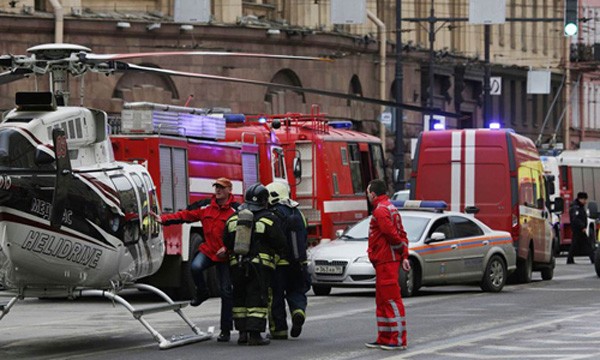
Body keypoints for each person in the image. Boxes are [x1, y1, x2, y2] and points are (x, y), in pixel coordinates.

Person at [156, 177, 237, 342]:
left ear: (229, 190)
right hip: (209, 251)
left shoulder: (236, 211)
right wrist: (163, 220)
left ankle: (226, 330)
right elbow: (186, 215)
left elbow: (243, 234)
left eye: (222, 187)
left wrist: (228, 249)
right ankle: (203, 292)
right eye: (216, 187)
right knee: (195, 267)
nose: (218, 190)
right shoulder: (206, 207)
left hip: (225, 255)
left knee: (226, 292)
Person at [223, 183, 286, 346]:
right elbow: (280, 242)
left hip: (236, 265)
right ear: (265, 201)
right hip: (259, 267)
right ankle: (255, 335)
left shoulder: (233, 219)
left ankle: (242, 334)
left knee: (240, 299)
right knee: (256, 299)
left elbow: (227, 242)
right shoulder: (269, 219)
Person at [364, 179, 410, 351]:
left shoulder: (381, 211)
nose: (367, 195)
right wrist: (403, 254)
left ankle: (397, 339)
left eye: (368, 192)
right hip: (384, 261)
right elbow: (402, 234)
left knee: (390, 301)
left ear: (373, 194)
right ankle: (384, 337)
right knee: (383, 301)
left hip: (386, 261)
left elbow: (392, 234)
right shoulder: (389, 208)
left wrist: (400, 251)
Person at [265, 181, 310, 340]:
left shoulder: (273, 214)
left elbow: (271, 239)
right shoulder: (299, 213)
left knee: (275, 296)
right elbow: (304, 238)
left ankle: (279, 330)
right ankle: (298, 311)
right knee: (296, 290)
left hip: (278, 264)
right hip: (298, 263)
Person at [567, 192, 594, 264]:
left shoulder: (579, 207)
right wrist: (582, 226)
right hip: (578, 229)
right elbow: (575, 219)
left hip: (579, 229)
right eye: (584, 199)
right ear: (580, 199)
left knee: (575, 244)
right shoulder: (576, 208)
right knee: (587, 244)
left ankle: (570, 259)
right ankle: (593, 259)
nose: (585, 201)